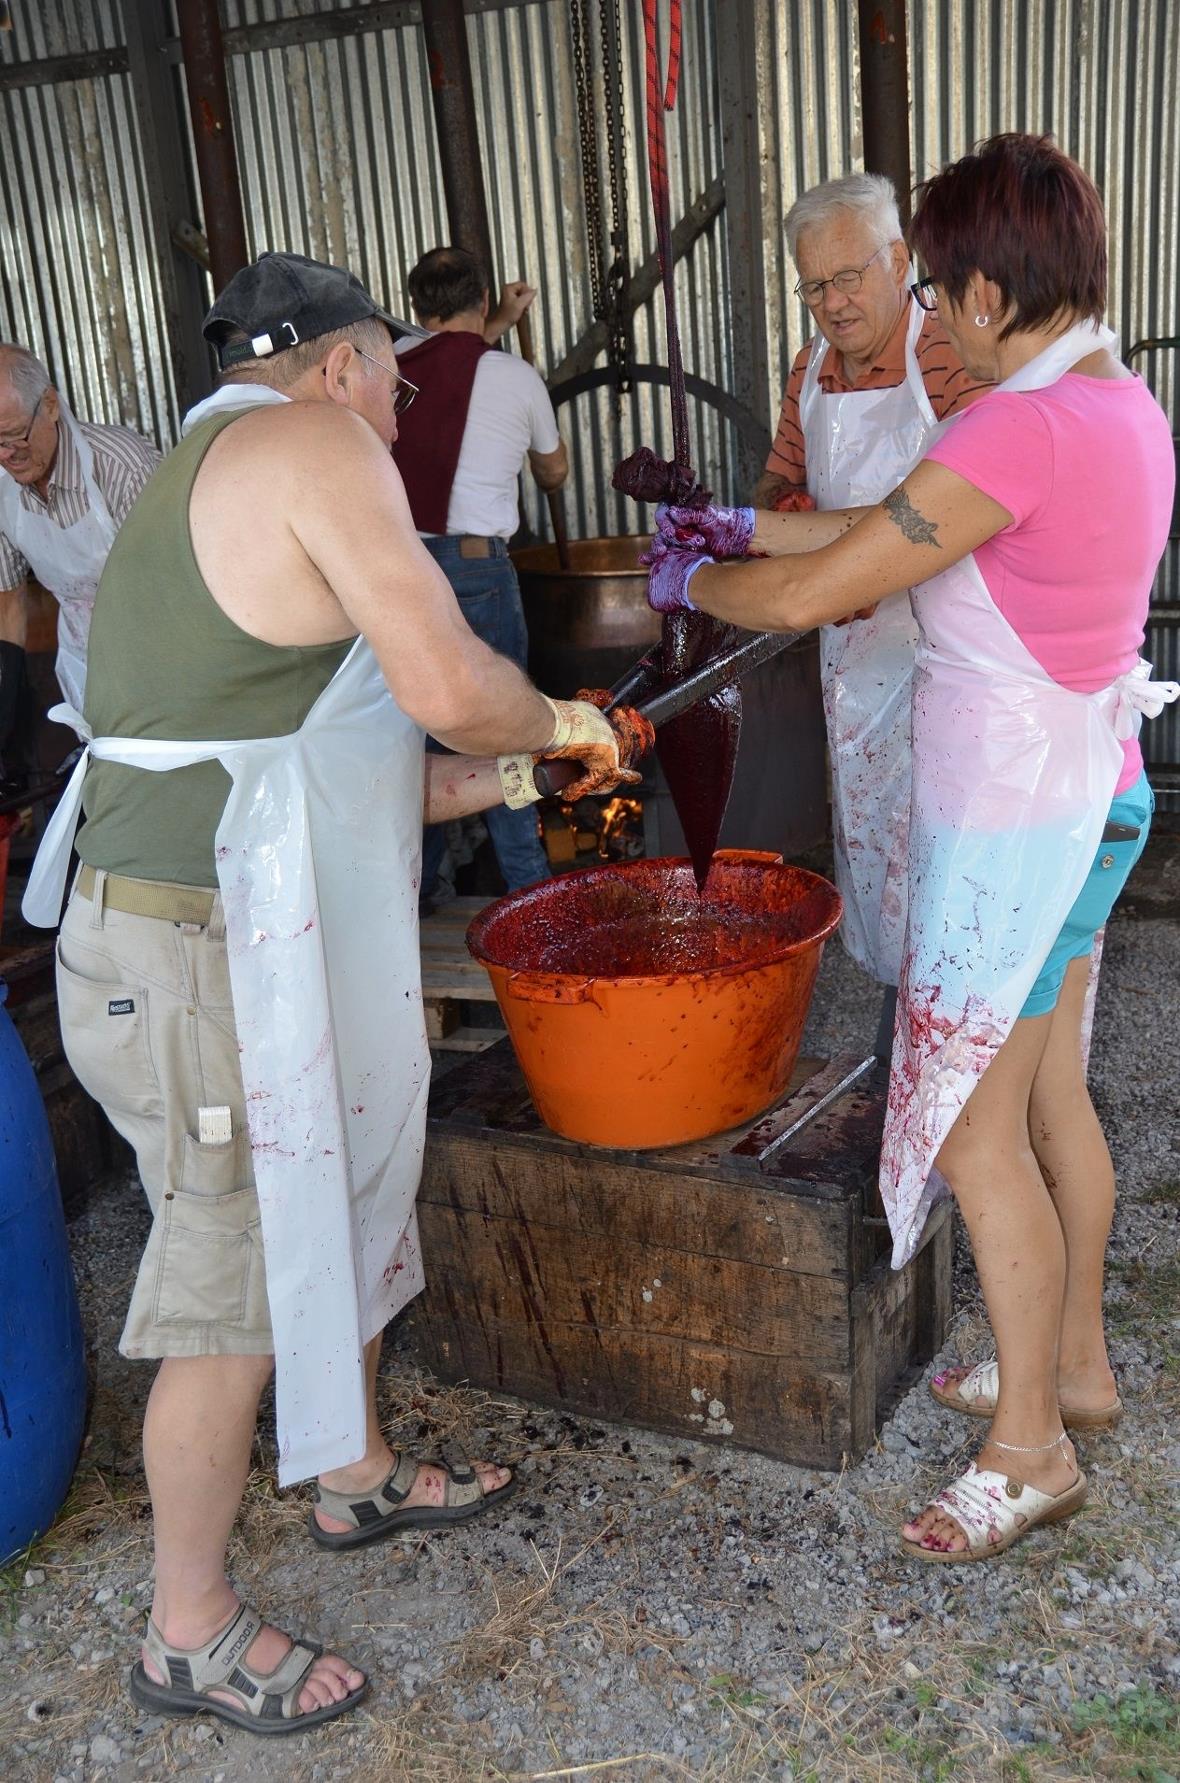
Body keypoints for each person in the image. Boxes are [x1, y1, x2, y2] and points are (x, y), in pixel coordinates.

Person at [23, 251, 647, 1733]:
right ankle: (186, 1627)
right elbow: (448, 678)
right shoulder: (306, 445)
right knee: (228, 1277)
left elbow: (365, 760)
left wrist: (529, 768)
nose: (393, 408)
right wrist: (563, 713)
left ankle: (352, 1472)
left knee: (350, 1177)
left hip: (225, 921)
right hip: (187, 948)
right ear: (345, 364)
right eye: (393, 379)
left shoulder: (205, 465)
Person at [645, 135, 1177, 1562]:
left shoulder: (1013, 426)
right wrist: (741, 515)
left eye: (943, 287)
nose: (932, 316)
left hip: (1011, 820)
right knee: (1057, 1100)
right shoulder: (1122, 403)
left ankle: (1032, 1451)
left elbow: (831, 582)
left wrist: (703, 575)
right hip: (1093, 793)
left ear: (998, 288)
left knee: (976, 1134)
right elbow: (872, 526)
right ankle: (1072, 1363)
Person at [753, 175, 990, 991]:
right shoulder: (809, 368)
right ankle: (901, 1024)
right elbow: (777, 484)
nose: (832, 303)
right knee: (873, 837)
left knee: (945, 860)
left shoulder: (945, 352)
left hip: (943, 655)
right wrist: (785, 512)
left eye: (848, 277)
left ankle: (942, 1035)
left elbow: (987, 496)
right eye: (813, 284)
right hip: (850, 655)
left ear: (897, 260)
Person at [392, 246, 569, 903]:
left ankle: (419, 895)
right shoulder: (514, 377)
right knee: (504, 728)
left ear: (414, 307)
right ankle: (530, 892)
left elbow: (446, 366)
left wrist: (496, 321)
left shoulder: (389, 371)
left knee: (415, 739)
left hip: (399, 578)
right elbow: (553, 472)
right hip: (477, 573)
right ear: (483, 296)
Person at [0, 344, 160, 748]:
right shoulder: (1, 486)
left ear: (50, 405)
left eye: (13, 437)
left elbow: (170, 584)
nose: (6, 457)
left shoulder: (121, 465)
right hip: (81, 657)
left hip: (160, 645)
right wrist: (6, 706)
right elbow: (9, 601)